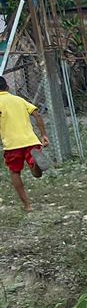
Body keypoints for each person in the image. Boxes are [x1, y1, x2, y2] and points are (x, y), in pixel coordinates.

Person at [0, 77, 49, 212]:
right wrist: (43, 135)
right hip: (31, 141)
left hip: (12, 145)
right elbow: (37, 114)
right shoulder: (19, 100)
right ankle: (35, 164)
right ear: (7, 87)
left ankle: (27, 205)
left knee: (14, 172)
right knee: (37, 174)